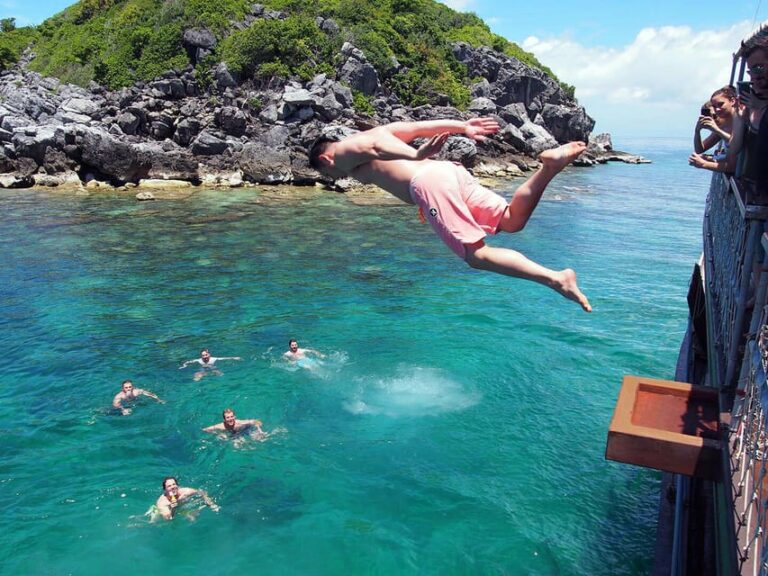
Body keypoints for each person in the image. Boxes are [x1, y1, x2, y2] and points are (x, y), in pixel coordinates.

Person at [308, 118, 592, 312]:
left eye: (327, 173)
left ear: (325, 160)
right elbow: (420, 126)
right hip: (447, 172)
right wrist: (463, 126)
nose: (333, 176)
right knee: (511, 220)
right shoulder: (381, 130)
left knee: (476, 256)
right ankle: (549, 168)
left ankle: (556, 278)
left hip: (428, 183)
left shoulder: (342, 152)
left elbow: (370, 149)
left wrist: (415, 156)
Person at [729, 28, 768, 202]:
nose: (755, 78)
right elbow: (734, 149)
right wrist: (740, 119)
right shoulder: (753, 106)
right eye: (752, 71)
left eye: (760, 68)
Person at [689, 86, 738, 173]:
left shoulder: (741, 121)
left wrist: (704, 164)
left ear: (732, 101)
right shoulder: (723, 126)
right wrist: (697, 131)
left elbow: (733, 166)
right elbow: (699, 149)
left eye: (721, 104)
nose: (717, 110)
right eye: (715, 106)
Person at [155, 476, 219, 521]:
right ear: (165, 490)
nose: (172, 487)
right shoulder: (163, 503)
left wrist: (211, 504)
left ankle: (188, 513)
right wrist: (172, 508)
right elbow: (168, 519)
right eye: (169, 486)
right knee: (153, 520)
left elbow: (202, 492)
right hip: (169, 509)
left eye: (174, 484)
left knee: (193, 518)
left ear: (177, 486)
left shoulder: (185, 492)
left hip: (183, 507)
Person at [202, 408, 266, 439]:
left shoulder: (240, 423)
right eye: (228, 417)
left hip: (245, 429)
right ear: (224, 419)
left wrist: (260, 430)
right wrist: (218, 433)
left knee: (259, 438)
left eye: (232, 416)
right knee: (236, 444)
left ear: (235, 417)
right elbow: (205, 430)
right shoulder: (221, 426)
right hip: (234, 434)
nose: (230, 419)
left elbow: (257, 421)